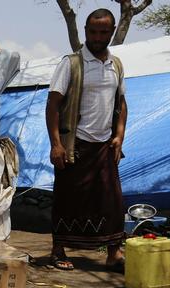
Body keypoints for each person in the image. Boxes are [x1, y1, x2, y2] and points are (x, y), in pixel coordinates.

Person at [44, 8, 127, 271]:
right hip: (74, 144)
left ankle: (113, 253)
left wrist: (120, 135)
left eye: (104, 32)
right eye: (93, 31)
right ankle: (58, 251)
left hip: (104, 144)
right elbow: (53, 105)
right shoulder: (71, 64)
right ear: (85, 31)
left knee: (111, 200)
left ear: (111, 32)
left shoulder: (116, 65)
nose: (98, 36)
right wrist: (56, 144)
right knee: (67, 197)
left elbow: (121, 102)